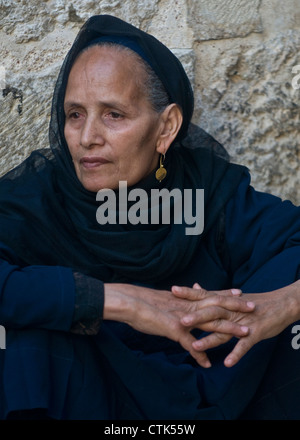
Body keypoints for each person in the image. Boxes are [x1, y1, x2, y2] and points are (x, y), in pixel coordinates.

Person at [0, 14, 299, 420]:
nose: (87, 137)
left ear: (166, 127)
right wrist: (114, 301)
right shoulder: (37, 203)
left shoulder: (208, 196)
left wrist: (282, 304)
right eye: (74, 114)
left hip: (221, 391)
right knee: (33, 331)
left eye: (113, 115)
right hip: (94, 397)